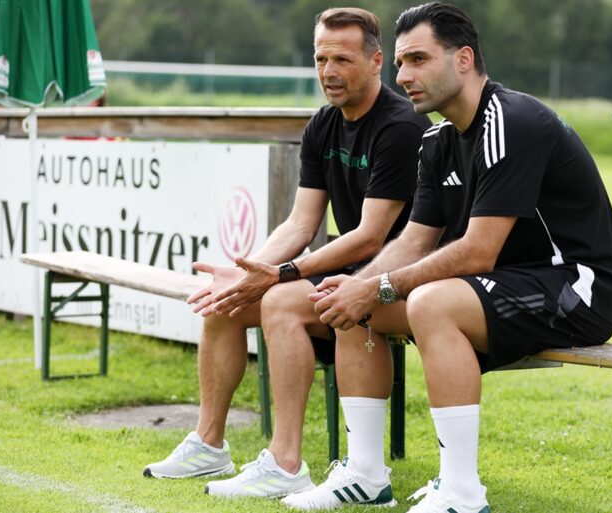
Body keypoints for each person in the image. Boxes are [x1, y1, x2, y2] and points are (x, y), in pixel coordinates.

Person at [281, 3, 612, 511]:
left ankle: (462, 492)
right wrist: (360, 285)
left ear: (463, 59)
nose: (404, 77)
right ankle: (365, 474)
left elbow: (478, 251)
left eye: (418, 59)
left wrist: (377, 286)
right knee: (351, 303)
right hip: (510, 283)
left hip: (577, 288)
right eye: (400, 63)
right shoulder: (437, 139)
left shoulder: (511, 120)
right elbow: (413, 241)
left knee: (428, 303)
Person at [142, 7, 431, 498]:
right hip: (345, 274)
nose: (328, 71)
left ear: (376, 61)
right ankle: (209, 444)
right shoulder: (322, 124)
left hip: (396, 280)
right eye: (320, 59)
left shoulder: (400, 126)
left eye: (342, 59)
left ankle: (285, 463)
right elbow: (301, 222)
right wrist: (249, 271)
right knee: (223, 302)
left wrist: (280, 274)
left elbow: (370, 237)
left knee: (279, 300)